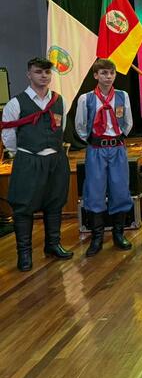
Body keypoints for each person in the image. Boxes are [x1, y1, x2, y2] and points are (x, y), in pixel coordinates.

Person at [1, 57, 72, 271]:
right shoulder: (16, 103)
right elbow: (8, 134)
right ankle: (24, 254)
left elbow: (62, 127)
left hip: (56, 160)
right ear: (28, 75)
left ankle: (53, 245)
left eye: (47, 72)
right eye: (38, 72)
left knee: (55, 202)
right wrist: (24, 154)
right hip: (28, 160)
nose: (44, 76)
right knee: (23, 207)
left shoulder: (60, 100)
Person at [74, 58, 134, 256]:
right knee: (95, 190)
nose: (108, 77)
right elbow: (80, 126)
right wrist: (95, 140)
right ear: (95, 75)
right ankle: (97, 237)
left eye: (111, 73)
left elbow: (128, 122)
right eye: (104, 73)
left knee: (120, 189)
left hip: (117, 148)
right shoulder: (86, 98)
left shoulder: (122, 96)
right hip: (97, 149)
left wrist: (117, 137)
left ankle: (119, 234)